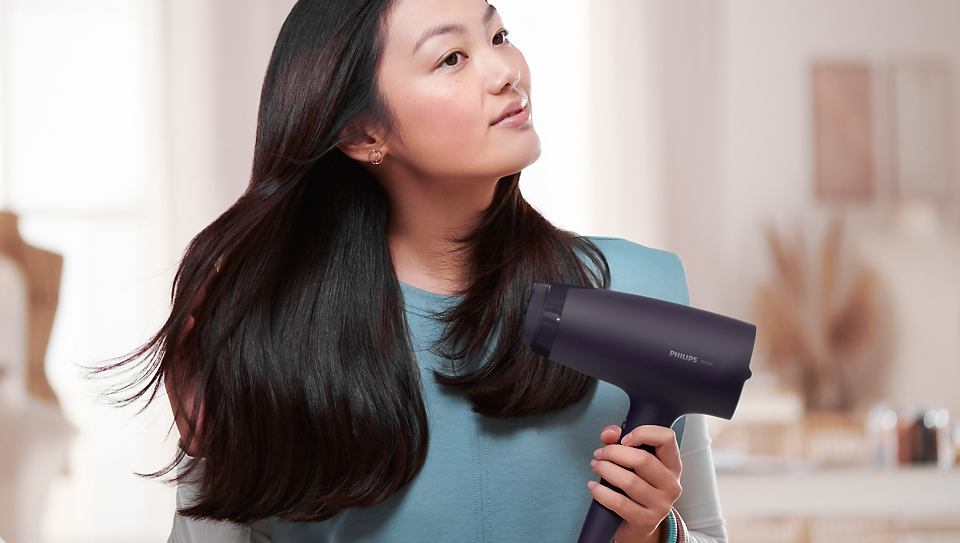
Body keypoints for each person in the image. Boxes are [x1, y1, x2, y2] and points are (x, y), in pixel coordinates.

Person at [94, 0, 729, 541]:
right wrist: (215, 456)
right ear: (364, 133)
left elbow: (704, 532)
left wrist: (654, 532)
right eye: (452, 58)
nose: (506, 70)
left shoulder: (640, 290)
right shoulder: (260, 328)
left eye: (498, 35)